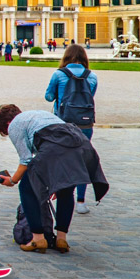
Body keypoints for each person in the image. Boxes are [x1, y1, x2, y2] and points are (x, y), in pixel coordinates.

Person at [0, 105, 108, 252]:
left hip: (56, 145)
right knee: (65, 190)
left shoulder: (15, 124)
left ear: (6, 124)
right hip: (78, 141)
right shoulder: (38, 114)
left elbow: (26, 160)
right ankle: (61, 239)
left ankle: (38, 239)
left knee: (27, 188)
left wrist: (13, 181)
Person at [45, 44, 98, 214]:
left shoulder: (59, 74)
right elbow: (91, 95)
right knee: (81, 161)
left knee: (62, 159)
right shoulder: (92, 76)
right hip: (85, 124)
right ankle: (81, 201)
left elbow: (48, 96)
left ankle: (63, 195)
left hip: (63, 123)